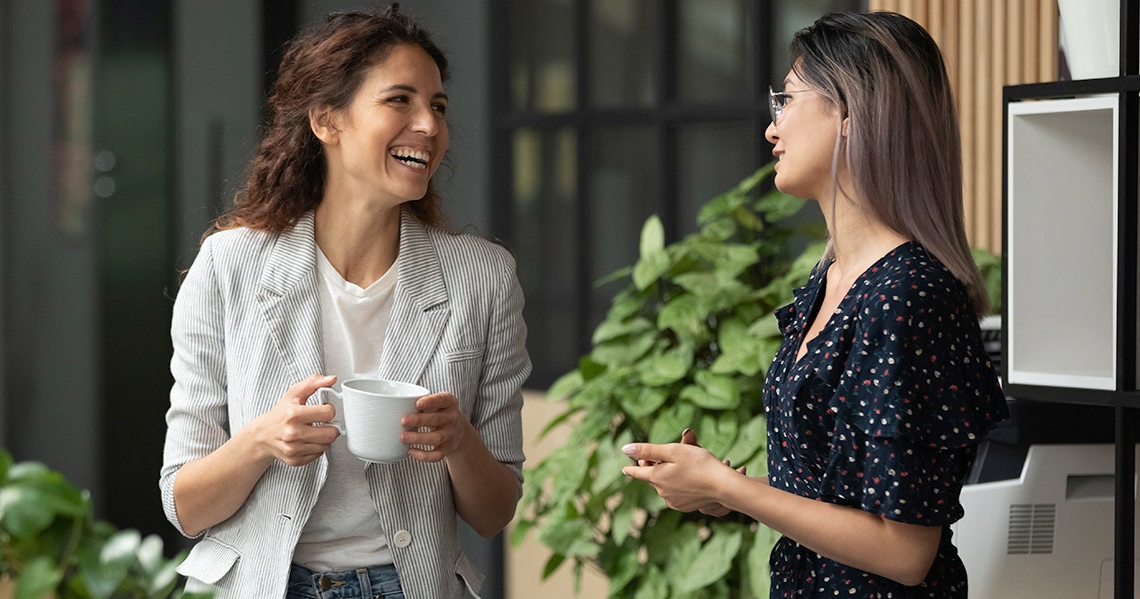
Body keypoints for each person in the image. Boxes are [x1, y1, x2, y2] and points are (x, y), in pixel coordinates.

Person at [622, 11, 1008, 598]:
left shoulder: (910, 294)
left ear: (851, 113)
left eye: (788, 100)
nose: (771, 128)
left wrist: (732, 490)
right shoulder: (828, 280)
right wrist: (715, 488)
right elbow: (833, 502)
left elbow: (904, 552)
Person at [159, 5, 529, 598]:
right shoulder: (231, 265)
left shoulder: (481, 278)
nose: (429, 126)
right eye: (399, 100)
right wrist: (262, 440)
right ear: (327, 120)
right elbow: (185, 505)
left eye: (437, 106)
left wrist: (460, 440)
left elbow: (494, 512)